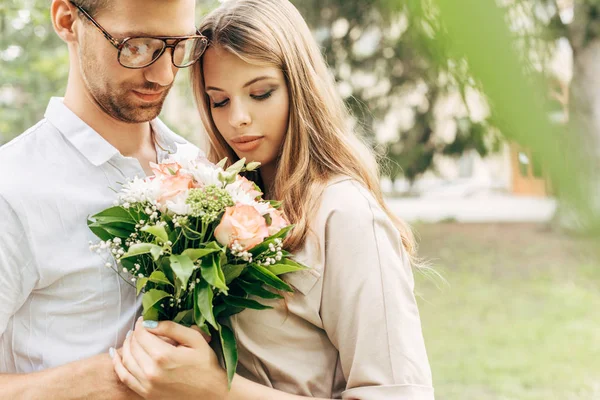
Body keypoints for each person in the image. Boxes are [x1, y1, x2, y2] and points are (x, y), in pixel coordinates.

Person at [112, 0, 435, 399]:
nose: (238, 118)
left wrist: (217, 390)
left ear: (300, 88)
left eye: (260, 93)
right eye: (220, 100)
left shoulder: (344, 215)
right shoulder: (214, 206)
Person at [0, 0, 205, 397]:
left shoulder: (199, 166)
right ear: (66, 21)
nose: (162, 74)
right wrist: (94, 381)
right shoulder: (10, 188)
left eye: (179, 46)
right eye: (135, 46)